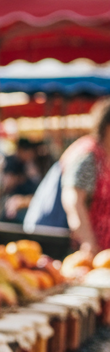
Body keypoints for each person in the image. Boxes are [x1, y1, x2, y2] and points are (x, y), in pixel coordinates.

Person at [58, 98, 110, 255]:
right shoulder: (89, 156)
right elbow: (73, 201)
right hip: (89, 254)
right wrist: (89, 244)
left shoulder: (106, 155)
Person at [0, 139, 40, 223]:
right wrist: (20, 179)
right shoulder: (11, 161)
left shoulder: (31, 163)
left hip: (29, 200)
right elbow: (8, 183)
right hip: (12, 200)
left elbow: (36, 181)